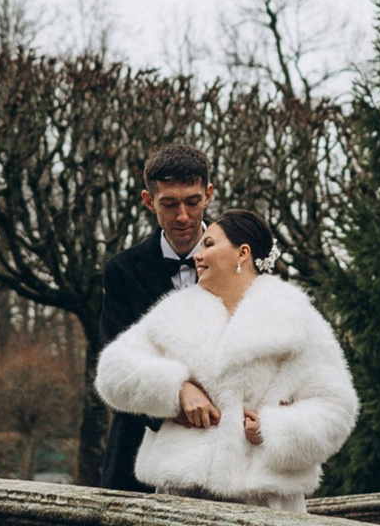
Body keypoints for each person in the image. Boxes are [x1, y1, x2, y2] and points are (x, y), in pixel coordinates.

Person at [93, 207, 359, 508]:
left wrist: (274, 429)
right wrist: (177, 389)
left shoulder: (297, 318)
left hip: (267, 502)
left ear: (242, 253)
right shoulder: (176, 312)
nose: (198, 255)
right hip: (182, 498)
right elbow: (112, 371)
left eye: (209, 244)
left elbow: (337, 407)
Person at [95, 142, 215, 490]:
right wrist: (174, 391)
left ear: (208, 194)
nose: (182, 216)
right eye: (169, 204)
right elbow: (115, 360)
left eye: (192, 202)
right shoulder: (121, 270)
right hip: (138, 448)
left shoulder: (238, 259)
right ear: (149, 201)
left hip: (222, 449)